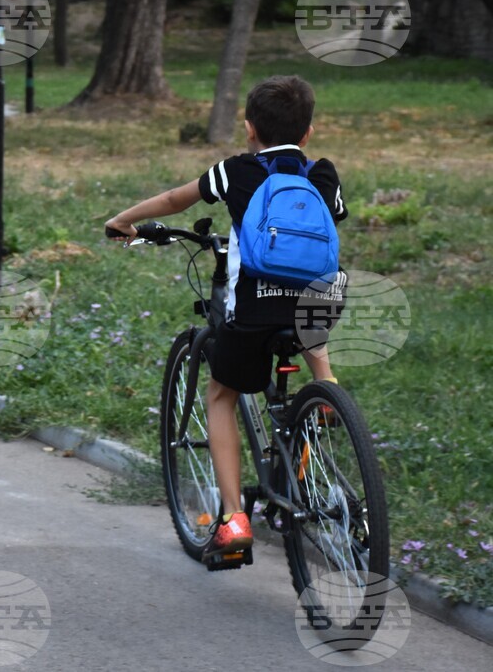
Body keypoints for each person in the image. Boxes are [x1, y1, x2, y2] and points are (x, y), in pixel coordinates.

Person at [105, 75, 348, 562]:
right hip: (321, 300)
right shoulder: (322, 173)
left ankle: (234, 519)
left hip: (254, 306)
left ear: (248, 128)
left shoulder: (235, 171)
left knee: (221, 394)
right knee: (309, 321)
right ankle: (327, 395)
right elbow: (331, 220)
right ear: (308, 134)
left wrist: (123, 221)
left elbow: (177, 199)